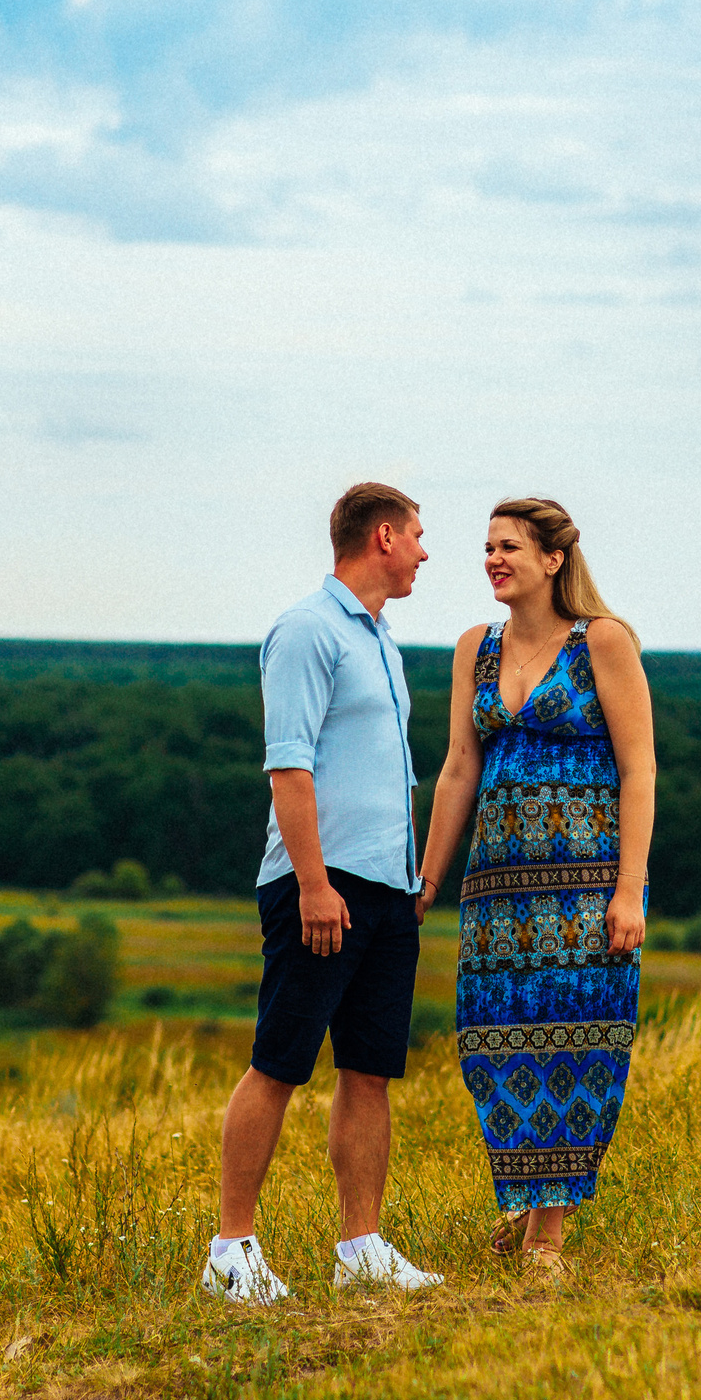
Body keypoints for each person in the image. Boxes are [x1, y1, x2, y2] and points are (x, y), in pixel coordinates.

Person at [203, 482, 446, 1302]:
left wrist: (409, 877)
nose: (423, 550)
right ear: (382, 537)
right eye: (417, 535)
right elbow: (289, 762)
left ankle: (362, 1246)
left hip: (386, 889)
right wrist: (312, 883)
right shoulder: (307, 630)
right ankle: (231, 1251)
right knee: (279, 1061)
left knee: (370, 1069)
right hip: (320, 885)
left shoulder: (381, 638)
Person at [417, 496, 655, 1272]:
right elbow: (459, 766)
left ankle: (546, 1233)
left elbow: (639, 769)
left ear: (553, 559)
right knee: (491, 1042)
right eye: (488, 546)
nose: (493, 558)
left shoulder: (604, 642)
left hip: (587, 889)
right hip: (497, 895)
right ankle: (520, 1195)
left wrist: (629, 889)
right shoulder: (473, 649)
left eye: (509, 546)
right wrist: (427, 877)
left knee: (575, 1045)